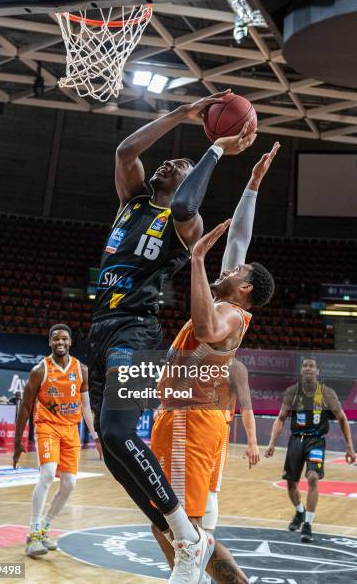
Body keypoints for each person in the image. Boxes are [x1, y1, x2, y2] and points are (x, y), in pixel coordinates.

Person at [88, 92, 257, 583]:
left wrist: (216, 150)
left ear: (193, 181)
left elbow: (186, 201)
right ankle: (182, 536)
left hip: (137, 334)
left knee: (121, 433)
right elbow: (125, 153)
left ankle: (188, 537)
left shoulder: (186, 225)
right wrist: (183, 116)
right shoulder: (134, 199)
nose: (168, 163)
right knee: (112, 451)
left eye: (180, 164)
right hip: (99, 332)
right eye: (167, 161)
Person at [150, 143, 279, 582]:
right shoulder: (229, 301)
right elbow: (239, 236)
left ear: (245, 290)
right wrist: (253, 185)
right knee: (166, 525)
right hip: (184, 419)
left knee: (184, 532)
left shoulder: (229, 313)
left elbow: (205, 330)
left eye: (236, 273)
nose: (231, 269)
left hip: (191, 424)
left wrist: (201, 261)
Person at [13, 324, 103, 557]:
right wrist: (17, 440)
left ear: (71, 342)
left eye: (64, 338)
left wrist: (95, 436)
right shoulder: (39, 370)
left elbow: (85, 406)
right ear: (50, 342)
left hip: (71, 429)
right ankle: (32, 535)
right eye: (55, 339)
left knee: (69, 484)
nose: (60, 342)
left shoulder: (81, 369)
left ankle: (44, 527)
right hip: (47, 427)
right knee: (47, 474)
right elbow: (25, 406)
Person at [265, 357, 356, 542]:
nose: (308, 368)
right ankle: (300, 511)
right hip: (296, 440)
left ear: (317, 371)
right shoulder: (292, 392)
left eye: (311, 366)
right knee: (291, 484)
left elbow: (342, 418)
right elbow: (281, 418)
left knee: (313, 478)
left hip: (316, 440)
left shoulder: (327, 393)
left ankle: (308, 524)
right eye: (305, 365)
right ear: (301, 371)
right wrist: (272, 442)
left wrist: (349, 447)